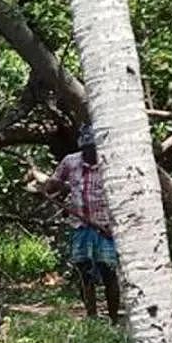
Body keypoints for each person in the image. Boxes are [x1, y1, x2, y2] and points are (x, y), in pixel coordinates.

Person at [43, 124, 120, 324]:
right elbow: (54, 183)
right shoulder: (71, 162)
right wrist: (45, 185)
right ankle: (92, 317)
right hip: (80, 226)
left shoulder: (111, 163)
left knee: (108, 270)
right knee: (83, 271)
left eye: (93, 150)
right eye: (86, 150)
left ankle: (113, 319)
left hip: (105, 227)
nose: (90, 154)